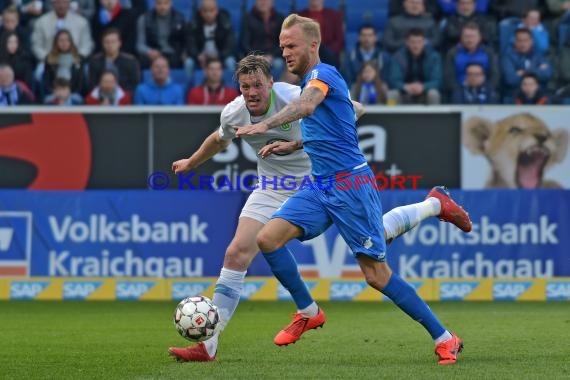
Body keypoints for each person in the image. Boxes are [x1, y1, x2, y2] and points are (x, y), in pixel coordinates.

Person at [167, 54, 472, 363]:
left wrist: (300, 142)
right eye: (245, 87)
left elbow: (354, 110)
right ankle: (211, 344)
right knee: (238, 252)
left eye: (258, 85)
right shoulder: (234, 113)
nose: (252, 93)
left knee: (377, 257)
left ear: (271, 83)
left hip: (322, 179)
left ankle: (434, 204)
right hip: (274, 187)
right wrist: (192, 162)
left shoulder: (293, 95)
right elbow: (219, 140)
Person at [235, 14, 467, 365]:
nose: (285, 53)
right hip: (320, 184)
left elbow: (309, 106)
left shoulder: (321, 76)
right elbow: (343, 115)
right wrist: (295, 145)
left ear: (313, 45)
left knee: (376, 275)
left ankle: (445, 337)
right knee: (267, 239)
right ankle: (308, 311)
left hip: (350, 186)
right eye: (282, 47)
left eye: (292, 46)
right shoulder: (310, 84)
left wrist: (266, 125)